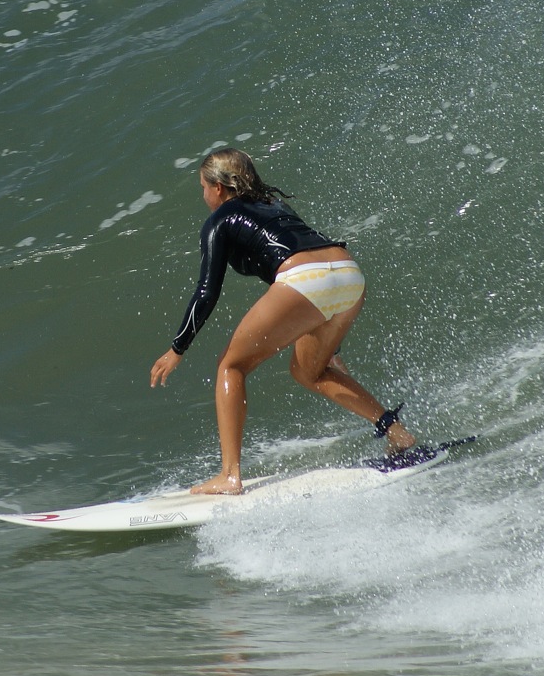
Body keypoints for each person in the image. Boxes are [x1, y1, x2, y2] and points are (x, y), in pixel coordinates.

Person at [150, 147, 416, 495]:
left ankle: (229, 476)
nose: (203, 196)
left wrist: (177, 348)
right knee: (310, 370)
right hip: (348, 273)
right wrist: (330, 341)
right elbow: (317, 272)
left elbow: (206, 291)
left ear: (217, 188)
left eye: (202, 187)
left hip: (306, 279)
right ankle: (398, 433)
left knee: (231, 366)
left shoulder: (219, 221)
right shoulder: (274, 206)